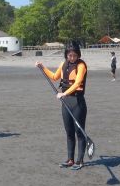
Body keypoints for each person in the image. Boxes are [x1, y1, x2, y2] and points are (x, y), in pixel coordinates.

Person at [36, 41, 88, 170]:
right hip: (66, 103)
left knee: (79, 132)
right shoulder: (63, 64)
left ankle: (80, 161)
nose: (72, 58)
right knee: (69, 132)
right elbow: (54, 77)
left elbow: (77, 83)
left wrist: (63, 93)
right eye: (70, 55)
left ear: (78, 55)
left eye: (74, 55)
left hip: (78, 103)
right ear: (66, 55)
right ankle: (70, 159)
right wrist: (43, 67)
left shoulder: (81, 65)